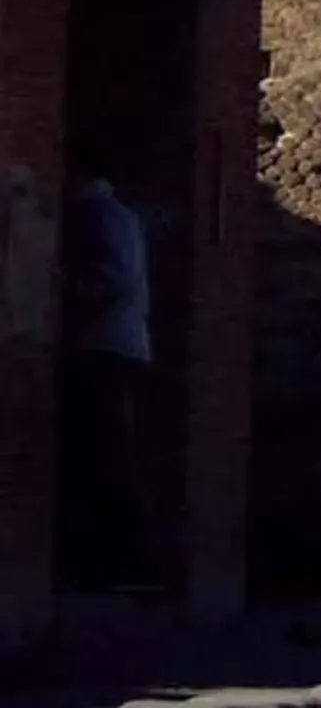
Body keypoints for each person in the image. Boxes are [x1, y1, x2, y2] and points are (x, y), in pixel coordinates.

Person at [59, 164, 155, 591]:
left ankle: (119, 565)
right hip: (123, 342)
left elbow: (114, 279)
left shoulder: (95, 213)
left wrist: (61, 287)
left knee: (104, 456)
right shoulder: (121, 214)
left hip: (104, 344)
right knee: (111, 453)